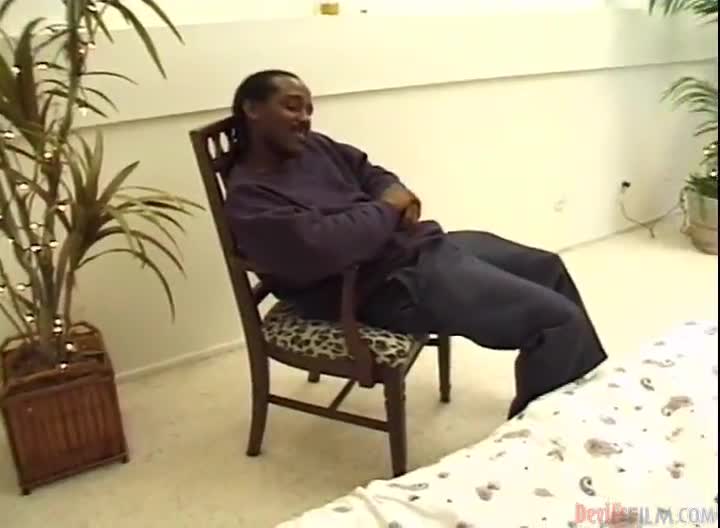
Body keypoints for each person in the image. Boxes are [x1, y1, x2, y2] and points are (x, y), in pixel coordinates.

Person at [224, 70, 608, 419]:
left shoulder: (313, 147)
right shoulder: (251, 199)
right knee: (557, 321)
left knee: (548, 267)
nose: (305, 118)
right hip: (380, 287)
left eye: (309, 109)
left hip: (416, 249)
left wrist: (392, 192)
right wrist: (389, 208)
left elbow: (370, 172)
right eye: (292, 107)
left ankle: (575, 404)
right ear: (252, 109)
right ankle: (539, 434)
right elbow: (330, 245)